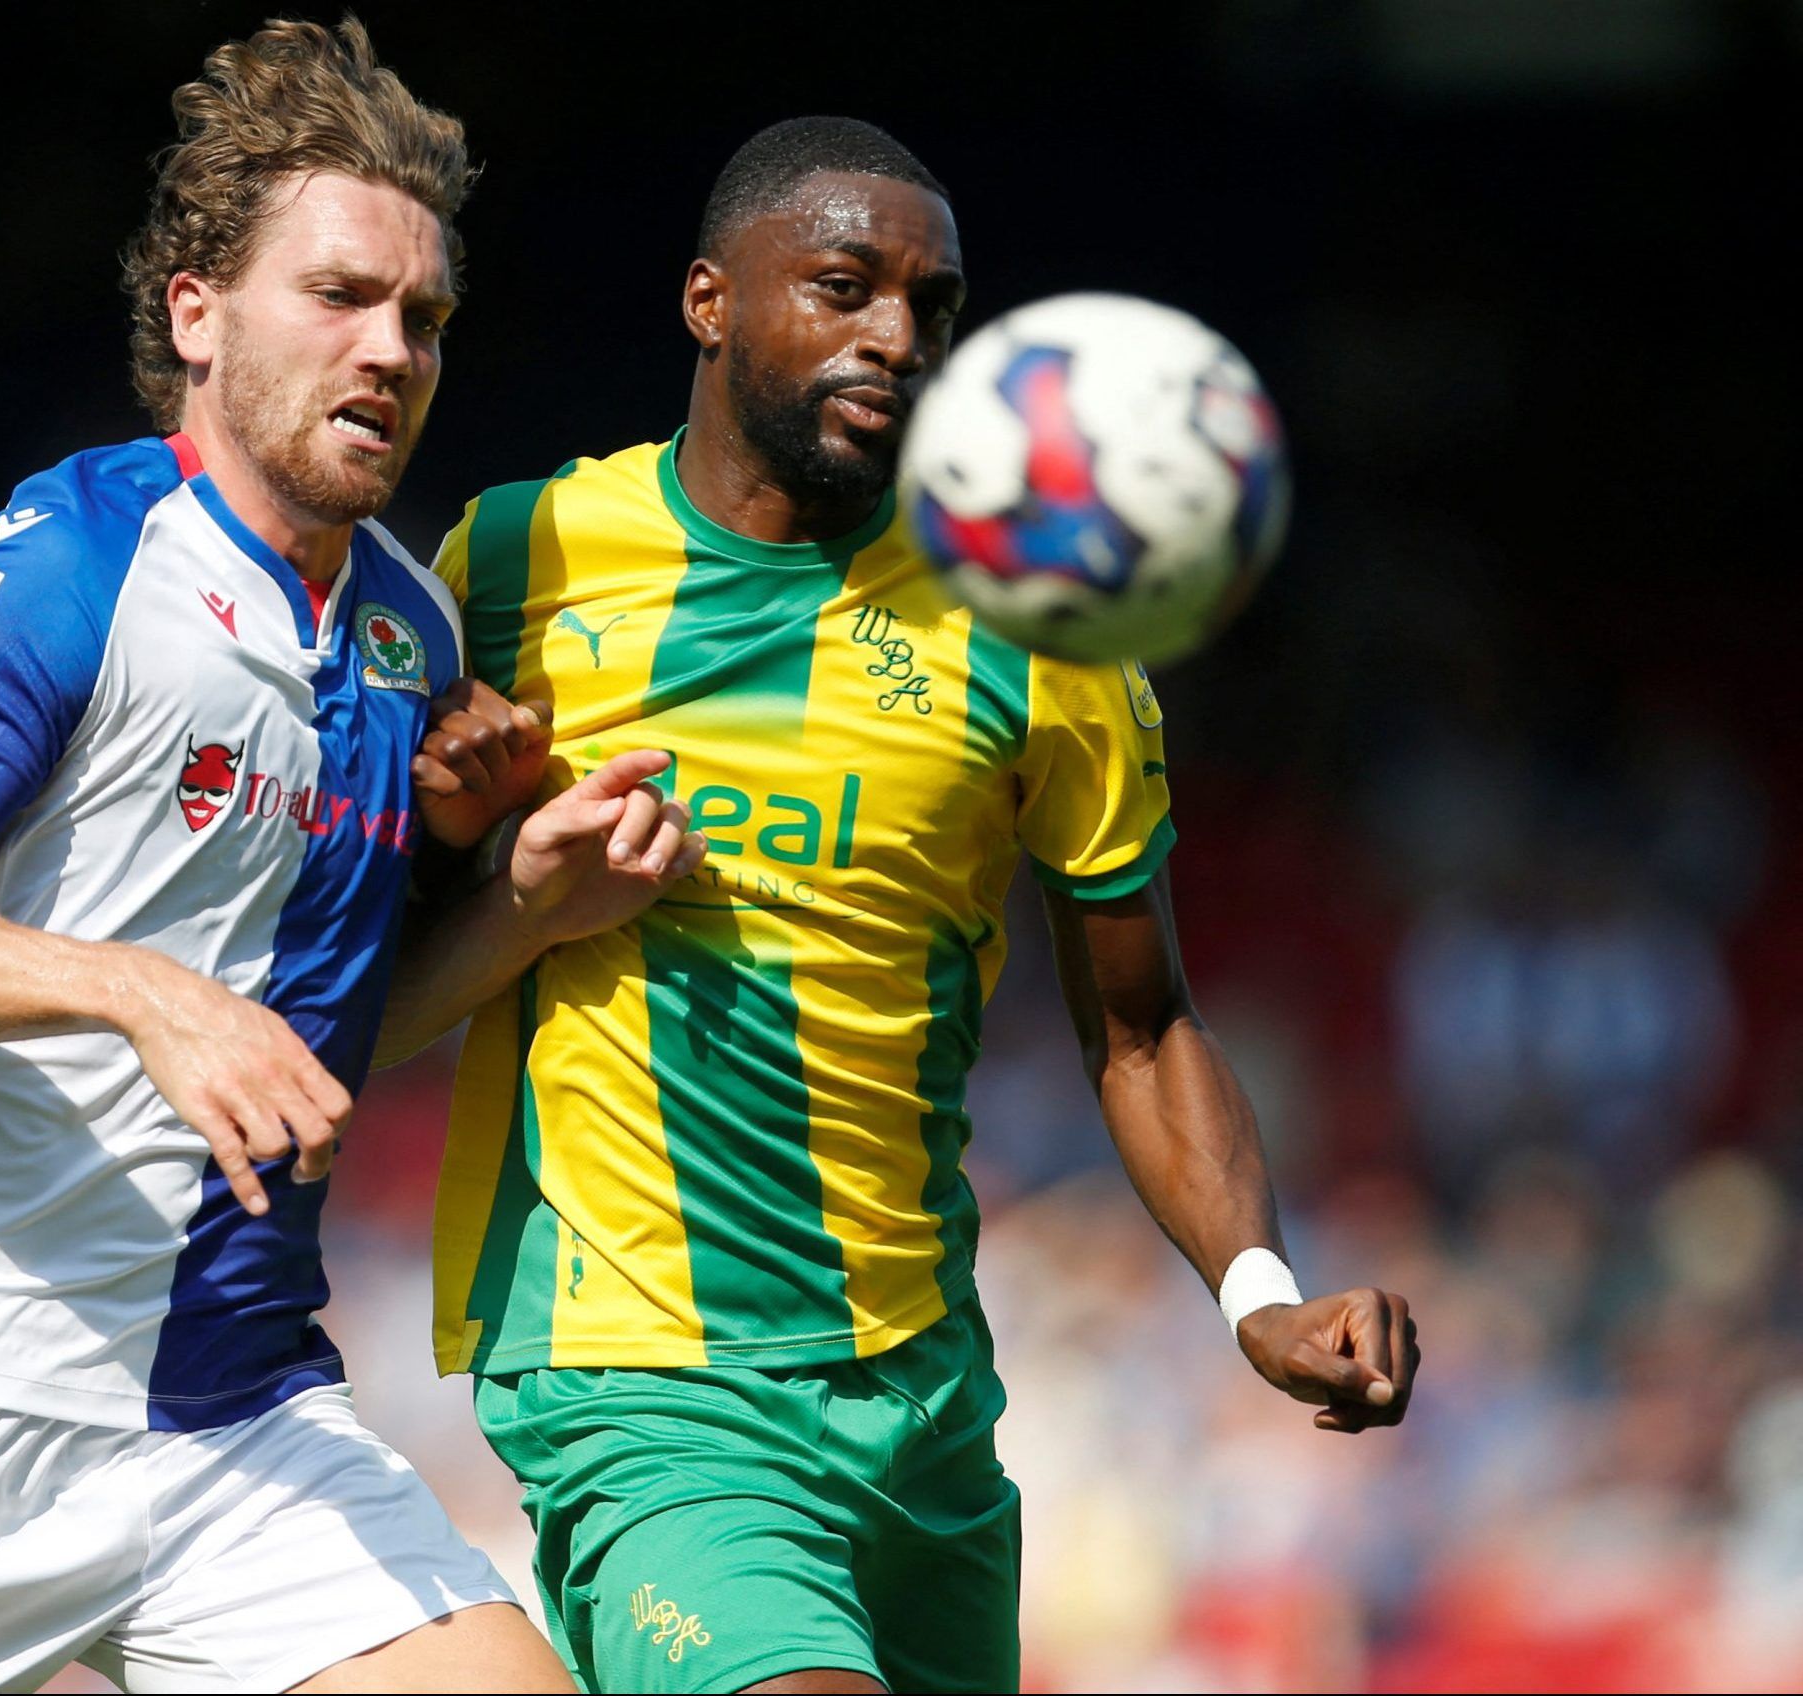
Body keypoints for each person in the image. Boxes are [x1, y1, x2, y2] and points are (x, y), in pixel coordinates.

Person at [0, 21, 691, 1693]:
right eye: (338, 296)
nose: (392, 349)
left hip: (241, 1414)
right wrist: (136, 996)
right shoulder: (74, 561)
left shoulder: (409, 624)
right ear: (197, 314)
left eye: (421, 317)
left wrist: (525, 909)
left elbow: (309, 1048)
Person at [383, 117, 1422, 1694]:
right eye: (845, 286)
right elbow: (359, 955)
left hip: (922, 1403)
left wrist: (1259, 1297)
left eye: (930, 308)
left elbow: (1141, 1028)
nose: (895, 337)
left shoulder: (1039, 625)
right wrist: (461, 828)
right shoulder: (514, 561)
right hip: (642, 1382)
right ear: (709, 302)